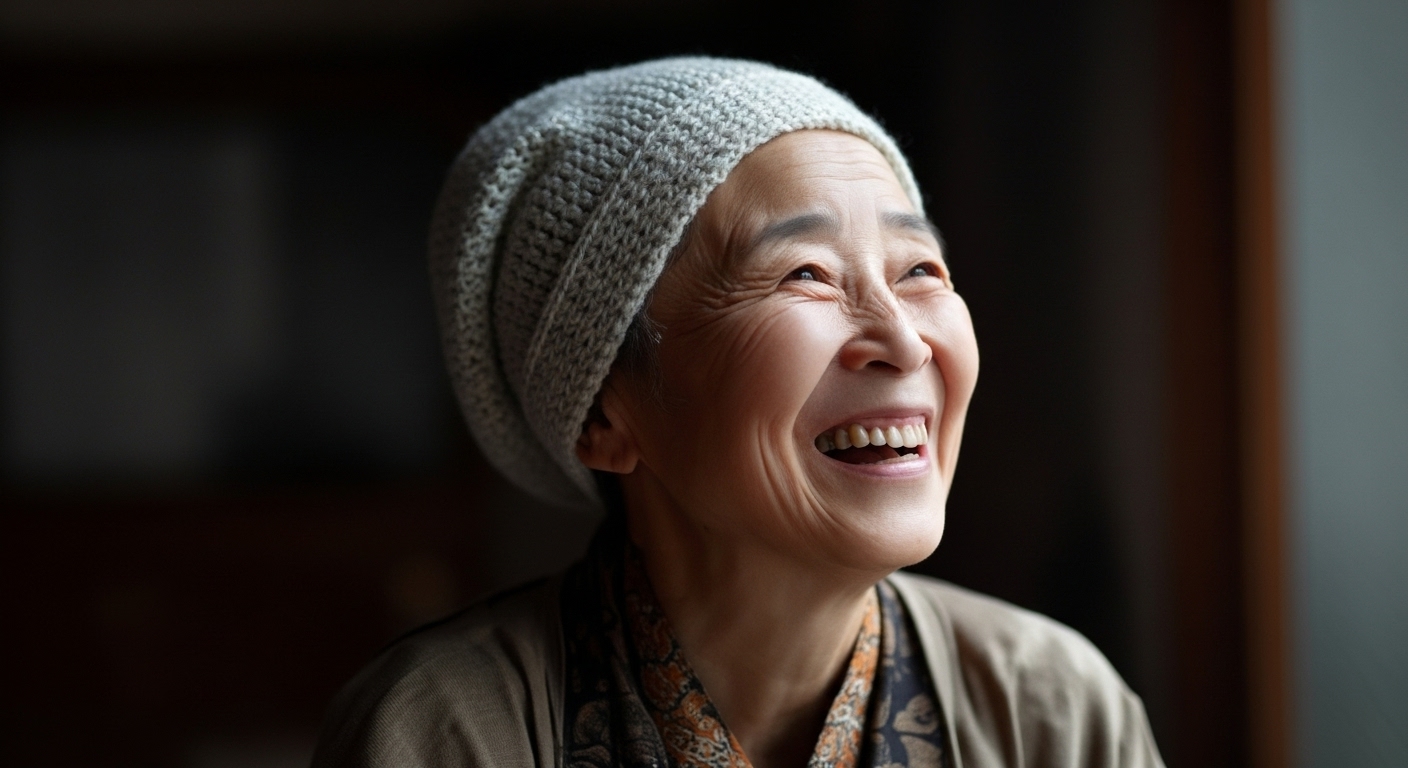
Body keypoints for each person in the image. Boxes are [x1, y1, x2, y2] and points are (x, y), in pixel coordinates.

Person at [311, 57, 1165, 768]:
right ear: (603, 417)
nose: (903, 342)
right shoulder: (445, 732)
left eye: (919, 271)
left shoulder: (1051, 709)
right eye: (805, 275)